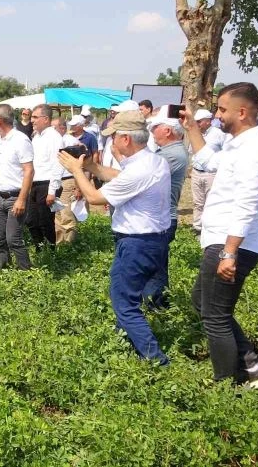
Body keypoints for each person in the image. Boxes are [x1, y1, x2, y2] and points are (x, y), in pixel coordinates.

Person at [182, 82, 258, 387]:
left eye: (222, 109)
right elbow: (206, 161)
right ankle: (250, 365)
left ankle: (228, 383)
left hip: (230, 242)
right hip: (224, 240)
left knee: (216, 316)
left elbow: (248, 203)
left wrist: (229, 252)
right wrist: (191, 128)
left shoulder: (254, 150)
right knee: (203, 302)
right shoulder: (238, 145)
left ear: (242, 111)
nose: (217, 115)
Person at [58, 108, 171, 364]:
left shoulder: (140, 169)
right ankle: (127, 345)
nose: (112, 141)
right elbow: (121, 177)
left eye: (114, 136)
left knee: (125, 303)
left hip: (136, 244)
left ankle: (156, 360)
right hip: (153, 241)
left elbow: (95, 198)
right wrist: (92, 167)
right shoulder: (153, 161)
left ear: (126, 139)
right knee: (133, 297)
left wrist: (77, 171)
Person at [143, 107, 189, 308]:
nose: (152, 132)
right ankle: (158, 307)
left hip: (161, 220)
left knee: (154, 270)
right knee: (154, 267)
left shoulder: (172, 155)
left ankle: (157, 309)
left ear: (167, 131)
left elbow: (141, 176)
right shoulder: (168, 152)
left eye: (155, 128)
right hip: (158, 218)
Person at [0, 104, 34, 270]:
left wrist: (21, 199)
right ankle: (3, 269)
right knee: (0, 238)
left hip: (14, 197)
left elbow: (29, 171)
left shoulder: (20, 140)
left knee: (13, 238)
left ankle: (26, 272)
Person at [27, 104, 63, 250]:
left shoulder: (54, 137)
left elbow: (57, 165)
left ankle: (50, 252)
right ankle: (40, 248)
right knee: (31, 220)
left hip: (46, 184)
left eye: (35, 117)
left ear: (46, 119)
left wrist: (52, 191)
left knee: (45, 221)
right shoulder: (36, 137)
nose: (32, 120)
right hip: (34, 183)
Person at [191, 108, 226, 233]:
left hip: (211, 173)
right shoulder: (197, 133)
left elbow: (225, 151)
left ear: (208, 121)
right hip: (196, 171)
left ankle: (208, 227)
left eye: (199, 122)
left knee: (210, 201)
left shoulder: (218, 134)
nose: (197, 124)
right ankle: (197, 226)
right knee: (197, 201)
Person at [52, 117, 80, 244]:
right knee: (57, 213)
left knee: (66, 214)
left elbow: (79, 166)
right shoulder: (53, 141)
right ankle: (60, 243)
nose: (51, 131)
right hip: (56, 181)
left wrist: (78, 187)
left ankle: (69, 245)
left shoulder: (71, 141)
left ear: (62, 128)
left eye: (54, 128)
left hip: (68, 181)